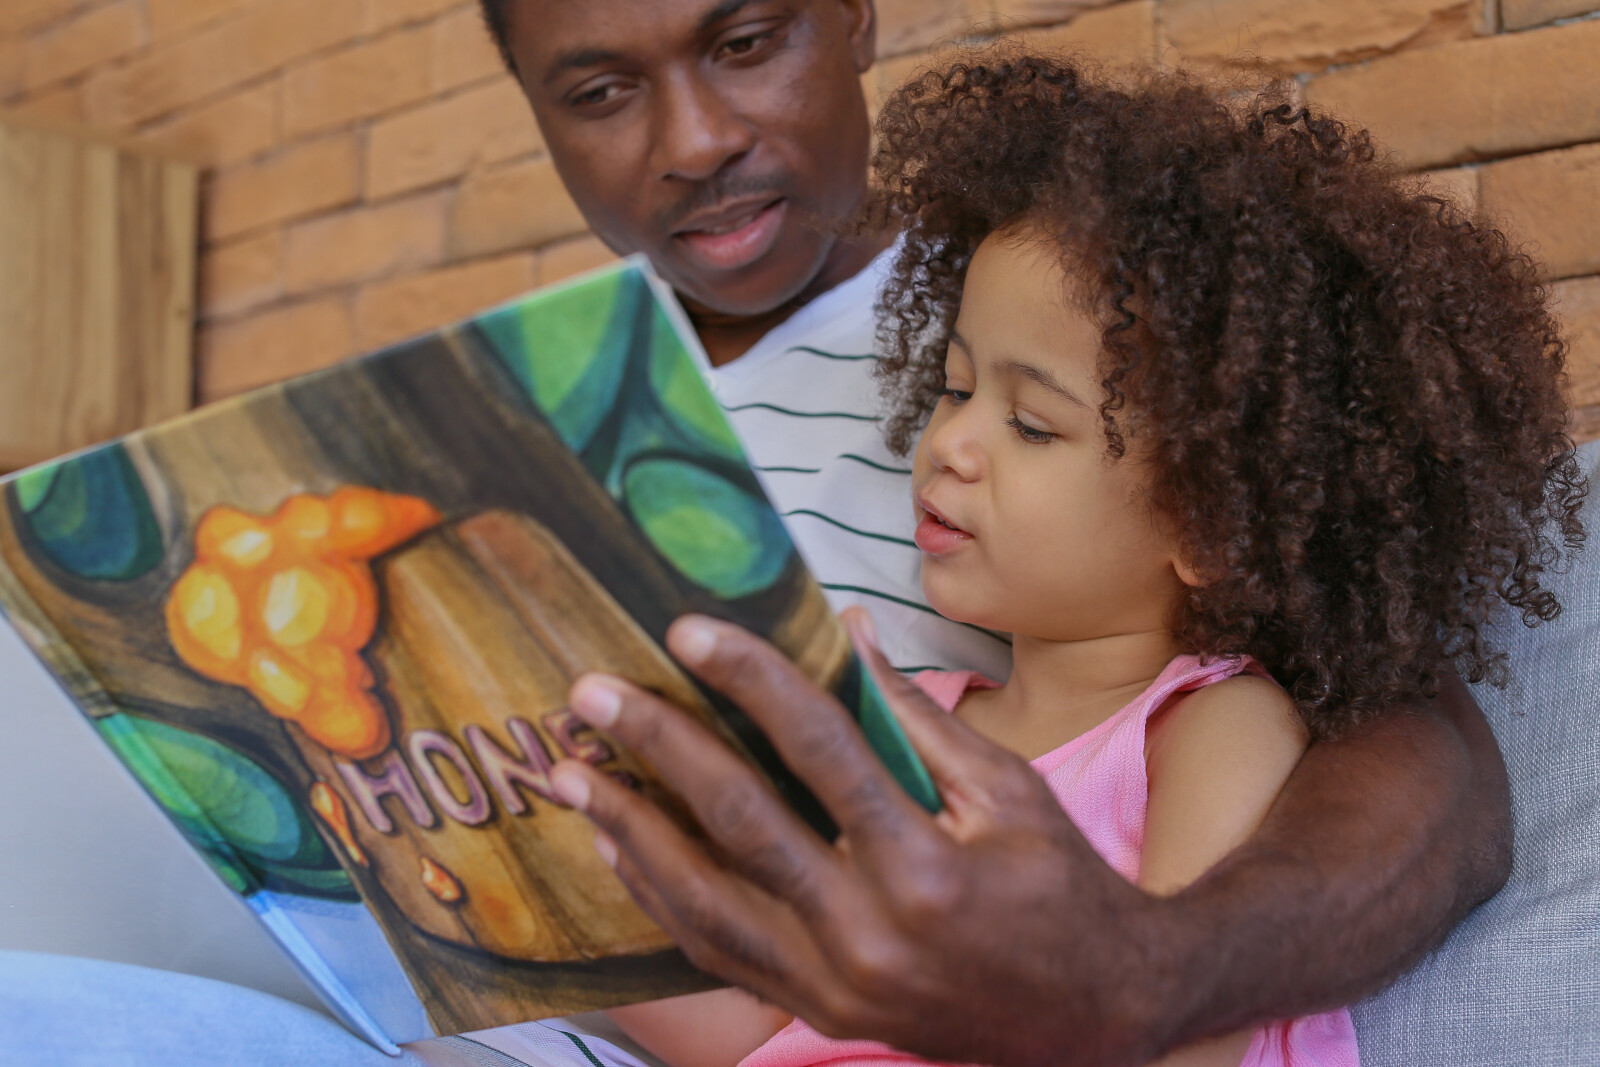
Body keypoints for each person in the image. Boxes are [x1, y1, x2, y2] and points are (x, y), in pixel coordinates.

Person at [0, 3, 1517, 1065]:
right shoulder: (544, 415)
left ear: (850, 15)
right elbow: (777, 1014)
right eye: (598, 91)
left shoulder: (1097, 319)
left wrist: (1147, 971)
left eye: (744, 41)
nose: (694, 139)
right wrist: (541, 843)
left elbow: (1391, 724)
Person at [544, 53, 1585, 1067]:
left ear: (1213, 526)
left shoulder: (1210, 723)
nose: (948, 443)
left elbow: (1182, 1034)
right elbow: (784, 1025)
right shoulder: (923, 716)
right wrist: (591, 876)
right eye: (953, 390)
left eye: (1032, 425)